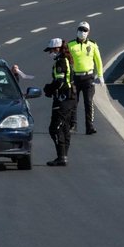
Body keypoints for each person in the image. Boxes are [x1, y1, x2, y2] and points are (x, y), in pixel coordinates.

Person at [43, 38, 75, 167]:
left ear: (57, 49)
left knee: (54, 128)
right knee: (65, 128)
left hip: (63, 99)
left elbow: (60, 82)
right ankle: (63, 157)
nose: (50, 53)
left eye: (51, 50)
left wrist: (48, 89)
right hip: (70, 98)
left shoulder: (61, 61)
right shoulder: (65, 60)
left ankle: (61, 157)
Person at [67, 21, 103, 135]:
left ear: (89, 32)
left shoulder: (92, 45)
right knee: (73, 102)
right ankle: (73, 125)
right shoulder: (71, 45)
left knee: (88, 102)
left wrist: (100, 75)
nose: (82, 32)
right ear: (77, 30)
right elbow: (66, 62)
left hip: (88, 77)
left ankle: (90, 126)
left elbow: (98, 60)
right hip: (75, 78)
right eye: (80, 30)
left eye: (85, 30)